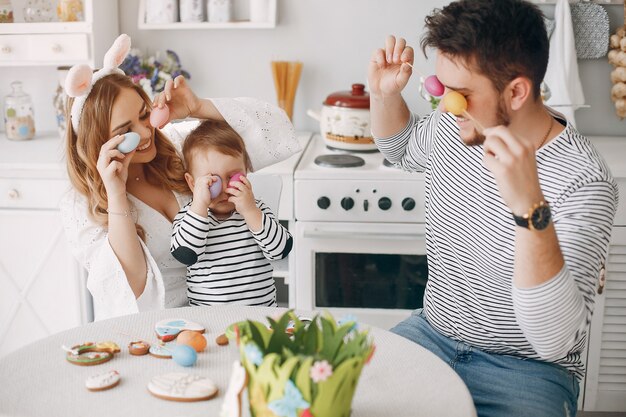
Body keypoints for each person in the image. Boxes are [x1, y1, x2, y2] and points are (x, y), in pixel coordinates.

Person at [368, 1, 618, 416]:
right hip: (432, 333)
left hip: (528, 371)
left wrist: (529, 207)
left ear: (517, 91)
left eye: (462, 94)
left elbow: (554, 339)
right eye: (442, 86)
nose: (445, 103)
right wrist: (382, 95)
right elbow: (404, 148)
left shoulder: (584, 180)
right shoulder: (456, 124)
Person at [60, 34, 298, 321]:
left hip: (231, 319)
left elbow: (278, 130)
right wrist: (116, 193)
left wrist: (199, 108)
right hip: (159, 331)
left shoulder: (179, 148)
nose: (147, 133)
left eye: (145, 114)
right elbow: (132, 289)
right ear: (99, 143)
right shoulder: (82, 205)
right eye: (127, 131)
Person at [170, 119, 292, 306]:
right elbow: (186, 254)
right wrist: (200, 205)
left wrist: (250, 211)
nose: (225, 188)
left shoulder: (255, 210)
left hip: (258, 317)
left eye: (233, 177)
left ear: (246, 173)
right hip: (211, 318)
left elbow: (280, 250)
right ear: (193, 183)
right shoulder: (190, 216)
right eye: (213, 181)